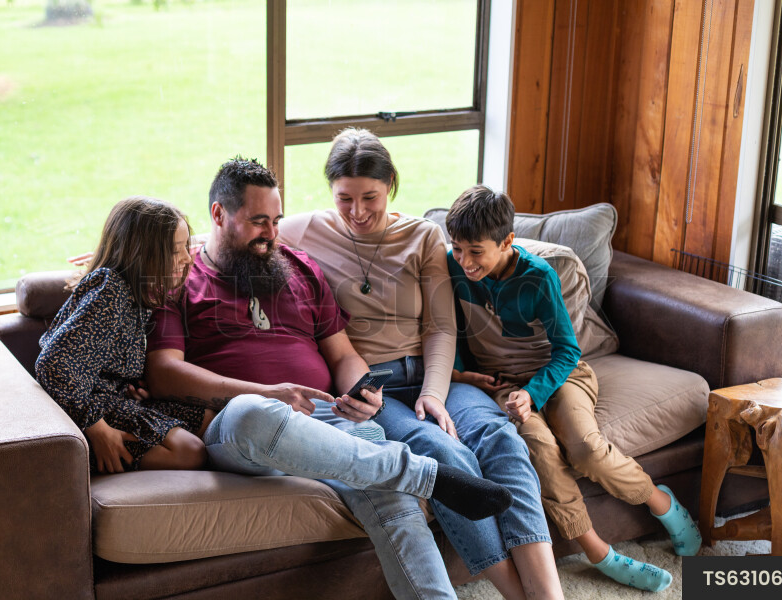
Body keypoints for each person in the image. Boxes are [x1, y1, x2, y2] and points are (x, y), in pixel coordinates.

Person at [35, 195, 510, 539]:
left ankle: (421, 477)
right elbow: (54, 362)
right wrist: (96, 426)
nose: (187, 256)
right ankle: (424, 475)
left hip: (130, 403)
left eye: (276, 220)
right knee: (208, 440)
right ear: (147, 253)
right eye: (178, 249)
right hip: (111, 412)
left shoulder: (142, 295)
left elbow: (101, 360)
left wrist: (125, 387)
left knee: (191, 447)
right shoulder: (112, 290)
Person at [143, 158, 510, 600]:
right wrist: (267, 392)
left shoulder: (298, 268)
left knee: (394, 506)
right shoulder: (182, 279)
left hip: (331, 420)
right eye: (259, 222)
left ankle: (415, 506)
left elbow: (343, 354)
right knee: (251, 413)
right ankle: (424, 474)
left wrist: (365, 395)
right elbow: (163, 372)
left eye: (276, 221)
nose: (272, 234)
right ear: (219, 215)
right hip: (243, 427)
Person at [279, 128, 563, 600]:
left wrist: (434, 392)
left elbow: (441, 328)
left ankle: (548, 594)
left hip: (439, 375)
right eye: (344, 199)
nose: (357, 211)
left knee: (501, 440)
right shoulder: (305, 231)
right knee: (444, 454)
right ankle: (519, 595)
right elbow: (240, 234)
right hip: (375, 388)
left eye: (369, 196)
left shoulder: (424, 236)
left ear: (390, 185)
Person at [444, 185, 703, 592]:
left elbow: (568, 350)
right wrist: (462, 373)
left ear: (507, 241)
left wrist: (534, 393)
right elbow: (451, 330)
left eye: (476, 251)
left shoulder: (538, 277)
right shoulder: (453, 267)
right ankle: (600, 552)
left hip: (559, 375)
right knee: (541, 454)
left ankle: (661, 502)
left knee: (583, 446)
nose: (464, 261)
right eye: (458, 249)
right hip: (503, 387)